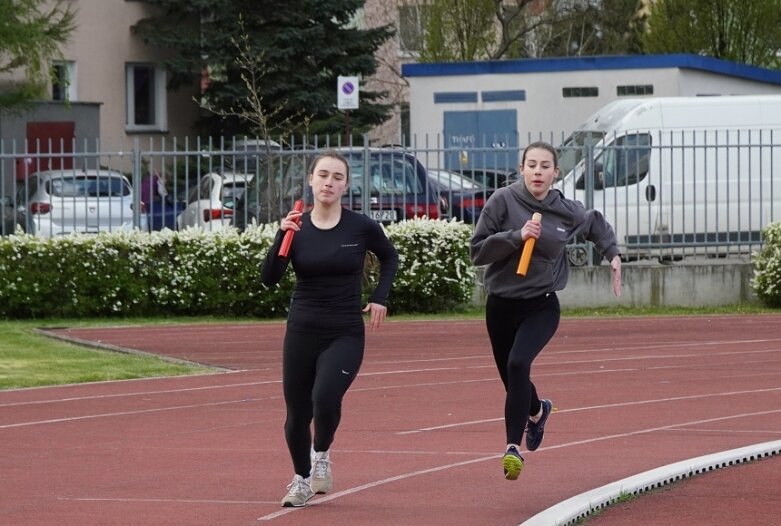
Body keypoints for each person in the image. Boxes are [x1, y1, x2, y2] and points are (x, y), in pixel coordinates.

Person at [470, 141, 622, 481]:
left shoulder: (564, 210)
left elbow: (594, 222)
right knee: (513, 379)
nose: (538, 172)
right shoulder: (502, 201)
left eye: (545, 166)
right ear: (522, 169)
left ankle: (512, 447)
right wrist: (515, 236)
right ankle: (538, 412)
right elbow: (477, 251)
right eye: (532, 165)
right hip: (500, 305)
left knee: (518, 363)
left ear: (556, 173)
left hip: (542, 303)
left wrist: (612, 254)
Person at [261, 150, 399, 507]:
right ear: (311, 180)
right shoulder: (297, 225)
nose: (329, 182)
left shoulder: (361, 227)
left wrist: (380, 296)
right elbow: (269, 279)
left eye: (337, 177)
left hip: (345, 330)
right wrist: (281, 237)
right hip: (302, 330)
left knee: (324, 398)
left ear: (346, 185)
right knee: (296, 415)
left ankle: (321, 453)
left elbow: (389, 256)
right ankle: (302, 478)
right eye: (323, 175)